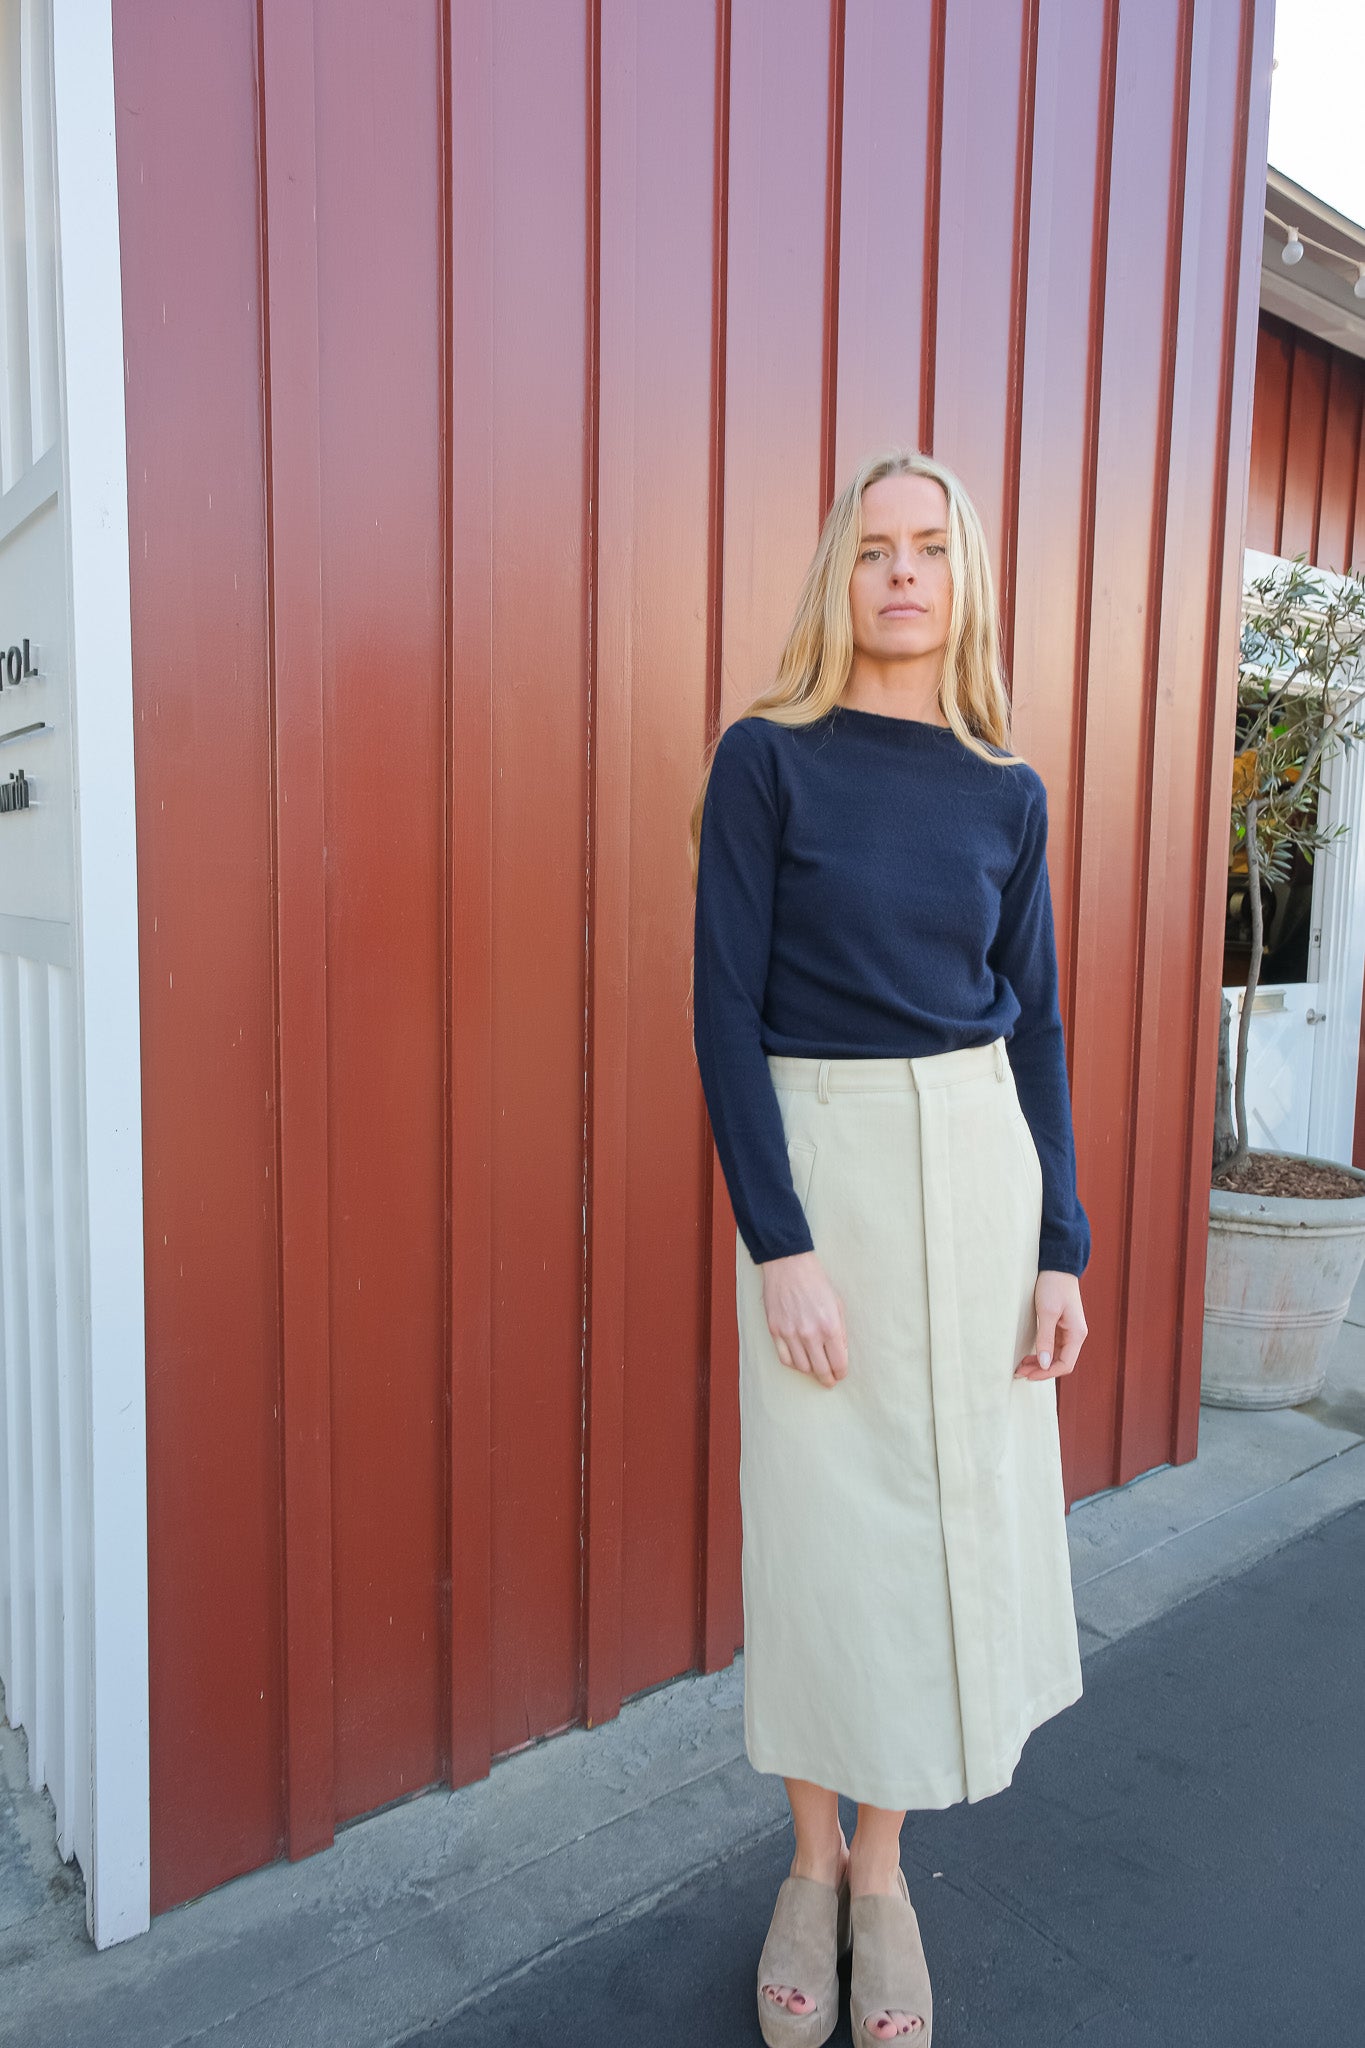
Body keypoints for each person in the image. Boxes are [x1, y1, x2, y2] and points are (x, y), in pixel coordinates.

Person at [688, 445, 1091, 2045]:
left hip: (978, 1178)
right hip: (823, 1176)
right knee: (822, 1526)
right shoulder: (766, 760)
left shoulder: (1006, 788)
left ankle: (881, 1867)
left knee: (945, 1523)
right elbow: (724, 1009)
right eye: (874, 551)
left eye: (929, 548)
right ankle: (804, 1859)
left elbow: (1039, 1027)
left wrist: (1058, 1241)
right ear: (837, 579)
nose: (902, 574)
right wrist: (775, 1239)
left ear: (963, 577)